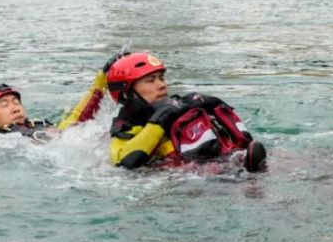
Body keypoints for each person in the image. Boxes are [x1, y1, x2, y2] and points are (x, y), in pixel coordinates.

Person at [106, 52, 267, 171]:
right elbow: (125, 161)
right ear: (127, 94)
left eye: (161, 78)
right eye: (150, 81)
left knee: (281, 159)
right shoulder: (125, 129)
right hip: (184, 182)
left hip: (221, 163)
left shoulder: (179, 107)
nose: (162, 85)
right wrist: (159, 121)